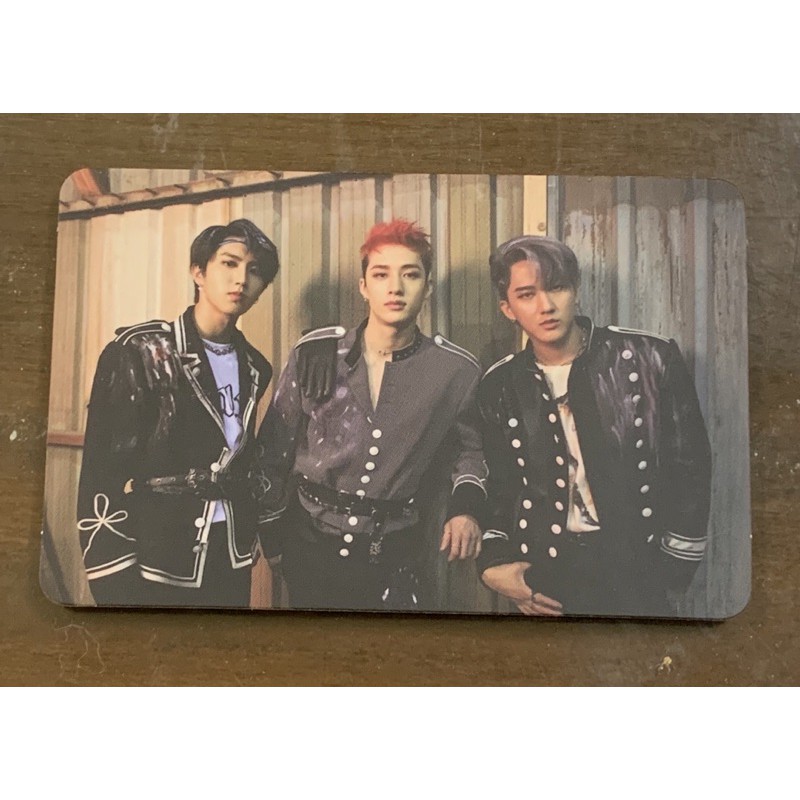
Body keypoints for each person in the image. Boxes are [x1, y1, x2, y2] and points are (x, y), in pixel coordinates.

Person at [252, 219, 486, 611]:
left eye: (410, 274)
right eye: (381, 274)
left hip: (395, 555)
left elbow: (471, 451)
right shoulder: (317, 354)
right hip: (310, 545)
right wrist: (273, 537)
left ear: (428, 288)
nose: (395, 287)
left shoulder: (455, 370)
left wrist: (466, 509)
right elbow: (273, 450)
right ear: (364, 286)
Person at [476, 235, 712, 618]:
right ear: (507, 308)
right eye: (527, 295)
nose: (546, 306)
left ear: (576, 290)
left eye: (557, 287)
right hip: (546, 573)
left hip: (636, 569)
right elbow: (500, 487)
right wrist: (494, 563)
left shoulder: (650, 358)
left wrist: (672, 568)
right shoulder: (500, 385)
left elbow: (690, 467)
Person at [77, 219, 279, 608]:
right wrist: (113, 577)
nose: (241, 279)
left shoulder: (256, 366)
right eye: (229, 263)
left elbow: (240, 461)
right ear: (198, 272)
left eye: (255, 270)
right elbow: (100, 475)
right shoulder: (142, 350)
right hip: (157, 558)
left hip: (230, 559)